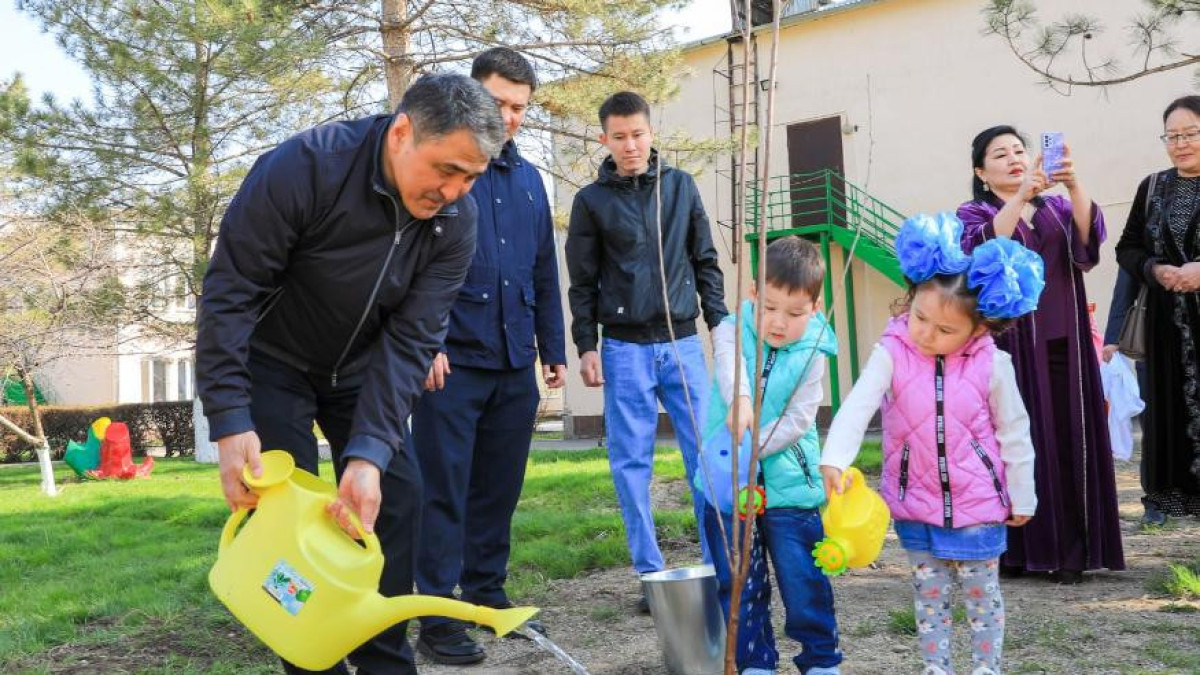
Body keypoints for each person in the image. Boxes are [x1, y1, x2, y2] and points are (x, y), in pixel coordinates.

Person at [196, 74, 504, 675]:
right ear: (402, 132)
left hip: (362, 364)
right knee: (286, 521)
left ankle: (386, 659)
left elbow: (414, 337)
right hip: (273, 361)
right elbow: (229, 294)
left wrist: (367, 455)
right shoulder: (304, 168)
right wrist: (231, 419)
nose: (454, 190)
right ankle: (313, 658)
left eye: (471, 177)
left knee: (396, 493)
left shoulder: (455, 220)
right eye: (446, 170)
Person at [821, 214, 1041, 675]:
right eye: (919, 318)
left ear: (978, 329)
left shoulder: (991, 363)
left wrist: (1022, 494)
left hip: (978, 505)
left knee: (983, 597)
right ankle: (935, 668)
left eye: (944, 331)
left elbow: (1014, 433)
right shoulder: (892, 351)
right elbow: (859, 404)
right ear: (910, 302)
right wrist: (835, 458)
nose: (925, 334)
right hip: (915, 502)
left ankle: (985, 669)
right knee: (929, 597)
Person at [411, 48, 565, 665]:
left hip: (512, 362)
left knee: (498, 490)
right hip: (449, 365)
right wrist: (426, 342)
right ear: (470, 96)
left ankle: (487, 597)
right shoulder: (442, 168)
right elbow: (412, 265)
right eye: (497, 102)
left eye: (518, 107)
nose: (508, 116)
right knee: (443, 491)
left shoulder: (530, 181)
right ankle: (439, 617)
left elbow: (543, 270)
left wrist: (553, 347)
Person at [565, 90, 727, 610]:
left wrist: (719, 327)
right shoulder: (590, 202)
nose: (630, 145)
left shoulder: (681, 188)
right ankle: (650, 574)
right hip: (625, 348)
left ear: (651, 133)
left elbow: (705, 261)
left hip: (681, 341)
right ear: (604, 139)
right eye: (619, 136)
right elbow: (582, 281)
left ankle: (718, 564)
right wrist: (585, 344)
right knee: (630, 463)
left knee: (707, 456)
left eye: (638, 134)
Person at [957, 125, 1124, 582]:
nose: (1013, 158)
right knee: (1016, 446)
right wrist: (1020, 196)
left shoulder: (1056, 207)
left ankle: (1074, 553)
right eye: (999, 154)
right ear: (980, 171)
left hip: (1065, 343)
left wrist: (1072, 182)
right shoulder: (974, 211)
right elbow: (981, 249)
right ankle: (1017, 553)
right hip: (1010, 347)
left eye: (1019, 150)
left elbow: (1088, 248)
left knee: (1072, 440)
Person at [697, 236, 842, 675]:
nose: (779, 323)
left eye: (795, 313)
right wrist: (740, 400)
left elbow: (800, 417)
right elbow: (729, 369)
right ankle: (754, 660)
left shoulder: (815, 348)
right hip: (728, 475)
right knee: (738, 577)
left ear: (815, 307)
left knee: (802, 577)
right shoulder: (730, 330)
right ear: (753, 295)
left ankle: (820, 658)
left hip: (789, 480)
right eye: (770, 307)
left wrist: (756, 447)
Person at [1115, 94, 1200, 523]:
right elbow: (1126, 249)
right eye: (1172, 136)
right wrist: (1155, 268)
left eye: (1190, 134)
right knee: (1166, 405)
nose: (1180, 144)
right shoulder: (1151, 188)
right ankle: (1167, 498)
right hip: (1166, 321)